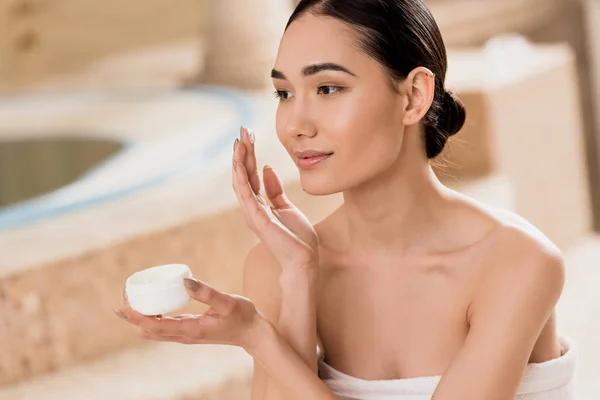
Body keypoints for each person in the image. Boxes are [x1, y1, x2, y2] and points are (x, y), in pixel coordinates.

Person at [115, 0, 577, 399]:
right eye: (284, 93)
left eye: (328, 88)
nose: (296, 123)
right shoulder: (278, 268)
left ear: (414, 96)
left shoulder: (516, 264)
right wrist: (297, 280)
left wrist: (261, 340)